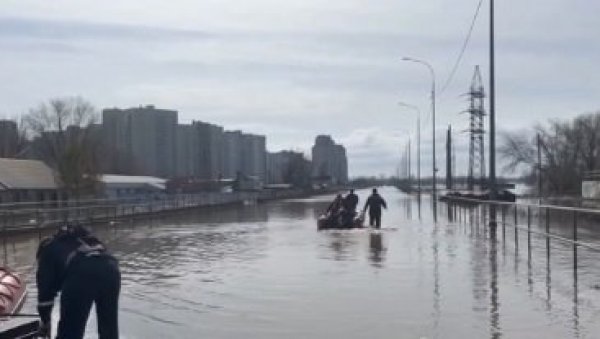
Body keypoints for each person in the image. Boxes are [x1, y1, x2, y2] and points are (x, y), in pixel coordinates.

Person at [36, 225, 121, 339]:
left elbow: (45, 297)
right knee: (109, 330)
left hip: (81, 271)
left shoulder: (47, 251)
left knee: (69, 333)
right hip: (111, 268)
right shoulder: (74, 239)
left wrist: (45, 321)